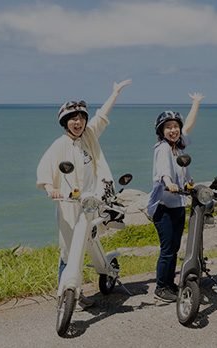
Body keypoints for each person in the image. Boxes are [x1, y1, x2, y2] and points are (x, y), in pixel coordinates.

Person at [36, 79, 132, 305]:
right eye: (73, 119)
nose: (78, 122)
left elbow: (102, 117)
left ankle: (100, 273)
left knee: (91, 239)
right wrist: (50, 188)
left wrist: (115, 93)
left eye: (81, 118)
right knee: (69, 251)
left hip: (94, 201)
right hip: (71, 204)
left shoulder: (88, 136)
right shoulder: (60, 145)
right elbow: (45, 167)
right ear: (65, 122)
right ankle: (67, 296)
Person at [147, 92, 206, 302]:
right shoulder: (163, 148)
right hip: (163, 205)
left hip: (178, 203)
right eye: (168, 127)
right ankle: (161, 288)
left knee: (174, 247)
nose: (173, 130)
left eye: (175, 127)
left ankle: (169, 283)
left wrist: (196, 104)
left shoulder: (178, 148)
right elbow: (164, 170)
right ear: (161, 131)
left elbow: (188, 126)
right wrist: (169, 182)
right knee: (168, 248)